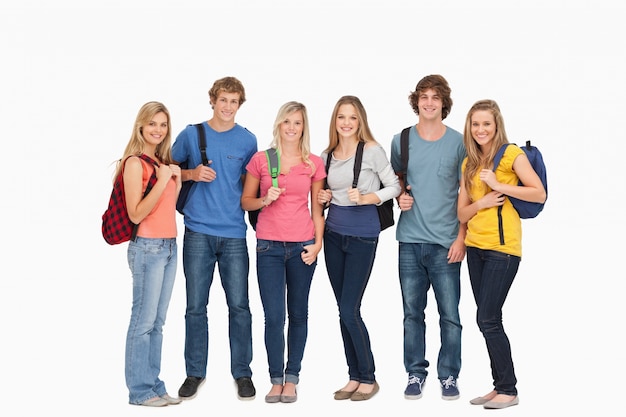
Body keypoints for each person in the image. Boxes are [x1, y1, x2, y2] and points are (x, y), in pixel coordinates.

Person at [171, 76, 258, 401]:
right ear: (212, 100)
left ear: (239, 104)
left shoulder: (248, 140)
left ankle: (243, 373)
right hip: (197, 232)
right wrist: (191, 173)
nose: (227, 106)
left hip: (234, 233)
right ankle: (195, 373)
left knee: (239, 307)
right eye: (223, 100)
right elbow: (164, 168)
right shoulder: (191, 134)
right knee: (195, 306)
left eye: (234, 101)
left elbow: (253, 185)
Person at [457, 99, 545, 409]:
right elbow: (462, 213)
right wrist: (480, 203)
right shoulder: (469, 163)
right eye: (475, 124)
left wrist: (500, 186)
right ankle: (499, 387)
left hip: (503, 250)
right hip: (476, 249)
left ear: (497, 127)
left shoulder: (511, 155)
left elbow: (539, 193)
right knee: (488, 320)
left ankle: (509, 389)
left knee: (488, 318)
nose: (480, 129)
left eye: (486, 124)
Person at [317, 95, 401, 402]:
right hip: (333, 235)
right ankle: (353, 376)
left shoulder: (372, 151)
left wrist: (370, 197)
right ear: (335, 121)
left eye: (352, 117)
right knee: (343, 311)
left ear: (360, 120)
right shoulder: (326, 155)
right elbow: (323, 194)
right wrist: (323, 198)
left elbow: (394, 186)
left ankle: (369, 377)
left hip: (363, 236)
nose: (347, 123)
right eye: (341, 117)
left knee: (349, 309)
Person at [241, 101, 326, 404]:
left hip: (302, 245)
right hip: (269, 246)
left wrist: (318, 244)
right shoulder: (262, 160)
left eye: (298, 123)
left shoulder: (313, 163)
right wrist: (264, 199)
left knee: (299, 314)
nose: (291, 127)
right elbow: (246, 202)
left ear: (304, 127)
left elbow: (318, 209)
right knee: (274, 317)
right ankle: (275, 379)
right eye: (287, 121)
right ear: (278, 124)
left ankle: (292, 378)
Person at [389, 74, 467, 401]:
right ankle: (415, 373)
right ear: (416, 101)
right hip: (409, 241)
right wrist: (399, 198)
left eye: (436, 97)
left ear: (444, 103)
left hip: (447, 242)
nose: (429, 102)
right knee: (411, 314)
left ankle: (448, 375)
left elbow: (468, 191)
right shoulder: (401, 140)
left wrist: (462, 237)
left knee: (450, 315)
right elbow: (395, 179)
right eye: (424, 96)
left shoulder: (460, 142)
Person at [120, 101, 182, 407]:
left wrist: (176, 179)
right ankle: (140, 390)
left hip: (170, 245)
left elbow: (168, 206)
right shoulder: (135, 164)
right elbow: (136, 213)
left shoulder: (162, 162)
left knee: (157, 323)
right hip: (147, 248)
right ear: (141, 126)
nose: (158, 130)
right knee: (142, 323)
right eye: (152, 124)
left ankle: (154, 385)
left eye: (163, 124)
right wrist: (161, 179)